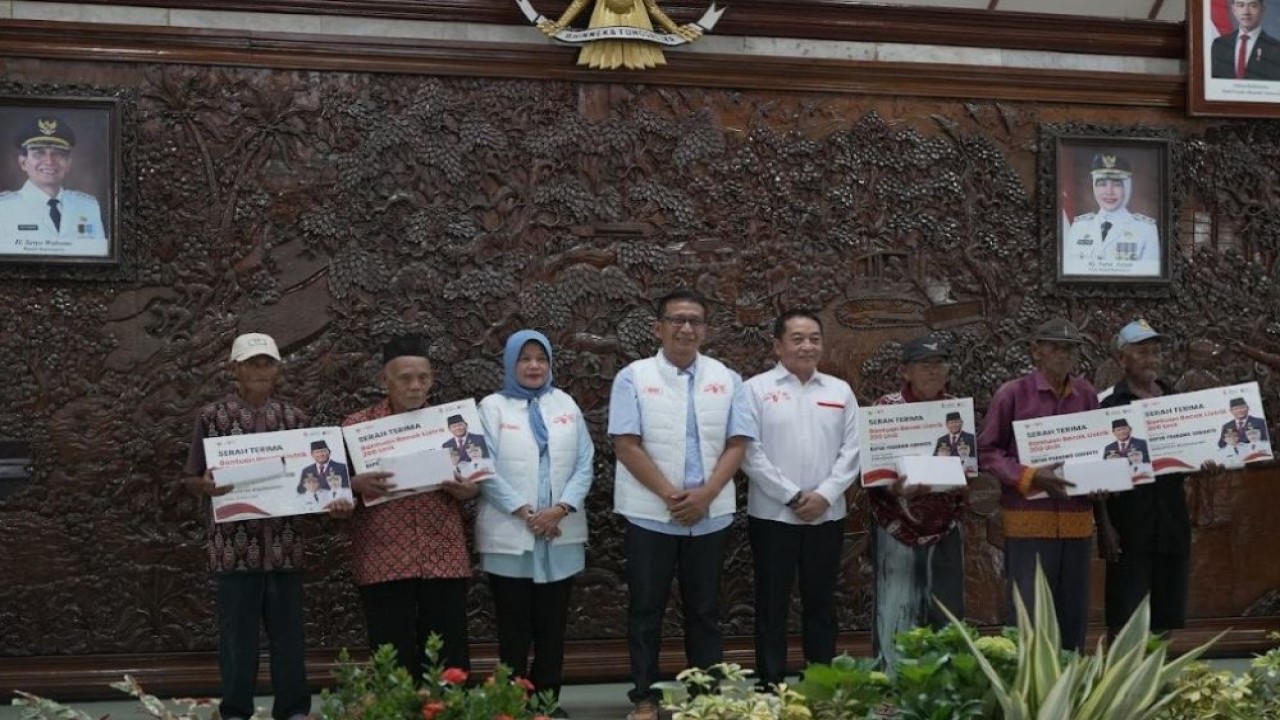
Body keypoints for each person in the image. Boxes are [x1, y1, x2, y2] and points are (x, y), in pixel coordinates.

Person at [608, 288, 754, 720]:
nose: (686, 328)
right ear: (658, 327)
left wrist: (706, 494)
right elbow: (626, 444)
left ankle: (705, 698)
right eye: (677, 320)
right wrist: (672, 495)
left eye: (694, 320)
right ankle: (645, 698)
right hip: (651, 514)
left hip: (710, 515)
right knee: (646, 609)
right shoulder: (633, 376)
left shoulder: (727, 377)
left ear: (705, 330)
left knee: (705, 611)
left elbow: (738, 442)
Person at [180, 332, 314, 720]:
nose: (260, 370)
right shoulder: (212, 417)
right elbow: (191, 476)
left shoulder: (295, 419)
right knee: (237, 642)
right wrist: (205, 485)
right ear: (235, 368)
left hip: (285, 547)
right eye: (252, 363)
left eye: (267, 362)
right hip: (233, 549)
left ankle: (293, 710)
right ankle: (236, 710)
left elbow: (312, 477)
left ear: (277, 369)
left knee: (289, 639)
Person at [341, 333, 479, 680]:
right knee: (392, 657)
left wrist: (467, 489)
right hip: (384, 558)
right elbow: (327, 491)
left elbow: (475, 480)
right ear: (383, 380)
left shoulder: (450, 423)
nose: (416, 386)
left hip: (443, 556)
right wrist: (354, 485)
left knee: (450, 656)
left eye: (424, 378)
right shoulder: (356, 428)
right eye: (405, 378)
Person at [477, 330, 594, 719]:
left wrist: (560, 508)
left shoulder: (566, 404)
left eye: (540, 359)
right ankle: (512, 706)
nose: (533, 366)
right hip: (511, 537)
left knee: (551, 632)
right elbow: (484, 469)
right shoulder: (492, 408)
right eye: (524, 358)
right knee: (513, 633)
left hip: (560, 536)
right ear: (510, 363)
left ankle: (547, 704)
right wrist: (528, 514)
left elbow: (584, 462)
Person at [741, 309, 859, 689]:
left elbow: (853, 450)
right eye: (797, 338)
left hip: (827, 515)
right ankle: (770, 683)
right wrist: (791, 496)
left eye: (814, 338)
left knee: (821, 603)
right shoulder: (755, 389)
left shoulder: (840, 391)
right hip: (773, 515)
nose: (807, 345)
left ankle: (819, 681)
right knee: (772, 603)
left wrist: (825, 495)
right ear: (778, 344)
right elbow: (748, 451)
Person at [1095, 320, 1222, 641]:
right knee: (1124, 616)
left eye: (1156, 351)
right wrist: (1104, 527)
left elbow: (1192, 456)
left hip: (1171, 523)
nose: (1152, 358)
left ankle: (1159, 683)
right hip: (1128, 527)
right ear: (1121, 359)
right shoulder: (1108, 405)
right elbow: (1096, 474)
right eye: (1142, 351)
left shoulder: (1177, 402)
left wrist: (1204, 464)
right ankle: (1117, 687)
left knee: (1165, 616)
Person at [977, 318, 1098, 652]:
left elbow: (1099, 448)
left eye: (1070, 348)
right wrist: (1029, 475)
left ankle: (1072, 688)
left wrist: (1103, 478)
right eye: (1055, 347)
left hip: (1076, 522)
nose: (1063, 355)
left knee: (1073, 612)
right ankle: (1027, 688)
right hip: (1029, 521)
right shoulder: (1013, 393)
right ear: (1036, 351)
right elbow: (987, 452)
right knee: (1029, 611)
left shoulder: (1086, 394)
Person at [868, 335, 969, 669]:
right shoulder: (886, 408)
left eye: (940, 363)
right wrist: (893, 488)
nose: (934, 370)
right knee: (897, 609)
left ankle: (946, 687)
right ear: (905, 371)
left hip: (945, 526)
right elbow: (873, 469)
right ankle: (893, 686)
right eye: (925, 364)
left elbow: (967, 466)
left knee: (946, 609)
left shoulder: (956, 411)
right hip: (897, 526)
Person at [0, 115, 108, 255]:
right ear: (23, 162)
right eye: (39, 153)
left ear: (68, 163)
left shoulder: (88, 207)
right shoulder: (4, 209)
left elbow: (99, 258)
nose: (49, 162)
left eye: (58, 154)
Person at [1063, 153, 1160, 278]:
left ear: (1127, 187)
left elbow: (1149, 279)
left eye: (1117, 184)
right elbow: (1069, 273)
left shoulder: (1146, 230)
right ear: (1094, 187)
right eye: (1102, 184)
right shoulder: (1079, 227)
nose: (1109, 192)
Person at [1211, 0, 1280, 80]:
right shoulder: (1219, 44)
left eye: (1252, 6)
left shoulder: (1276, 48)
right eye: (1240, 5)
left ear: (1262, 10)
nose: (1246, 12)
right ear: (1233, 10)